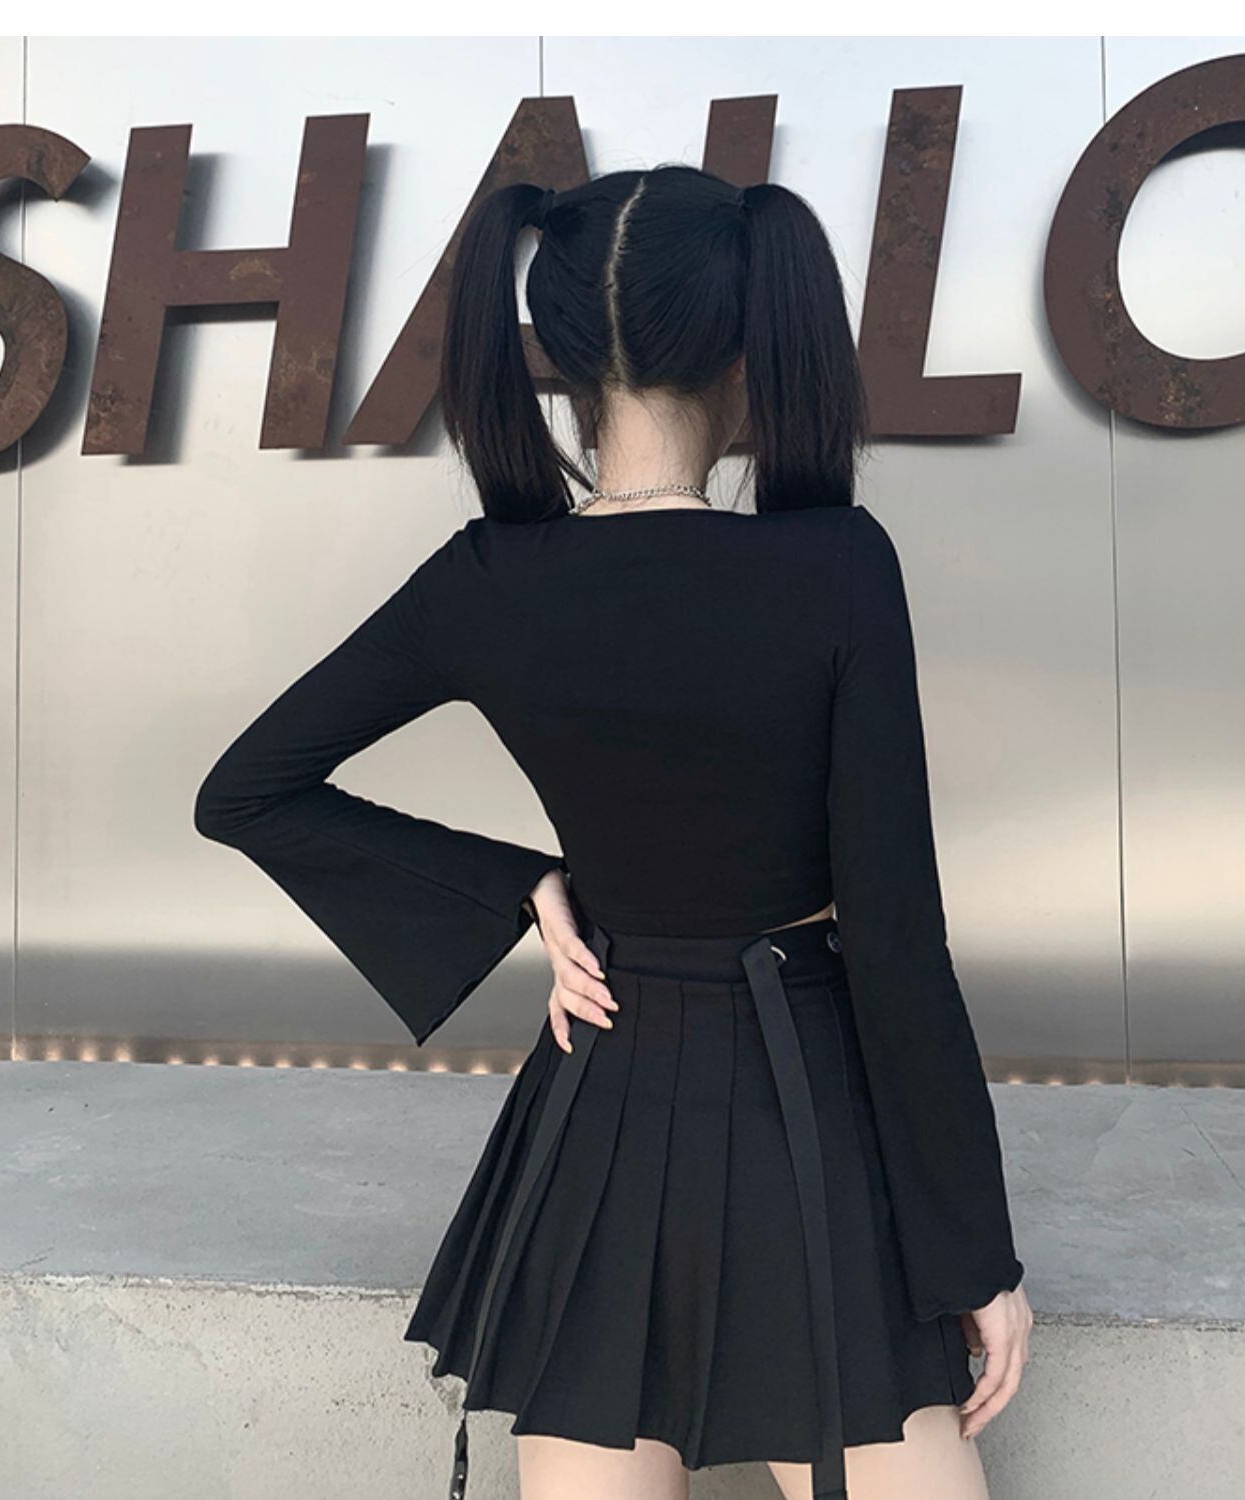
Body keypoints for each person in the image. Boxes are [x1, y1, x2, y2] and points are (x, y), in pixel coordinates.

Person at [193, 164, 1031, 1500]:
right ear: (746, 349)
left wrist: (524, 886)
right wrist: (975, 1255)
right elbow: (893, 936)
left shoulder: (491, 579)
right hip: (808, 1101)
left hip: (599, 1105)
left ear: (563, 358)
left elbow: (245, 790)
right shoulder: (836, 564)